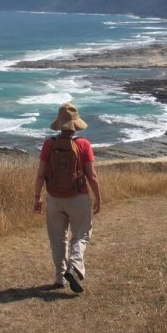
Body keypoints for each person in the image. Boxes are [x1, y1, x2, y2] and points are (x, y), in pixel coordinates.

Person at [33, 103, 102, 293]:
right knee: (81, 234)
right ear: (76, 125)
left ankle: (59, 277)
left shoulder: (49, 143)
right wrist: (98, 197)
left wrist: (37, 197)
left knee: (57, 238)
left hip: (54, 198)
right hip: (78, 198)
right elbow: (92, 176)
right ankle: (74, 267)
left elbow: (41, 174)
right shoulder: (83, 144)